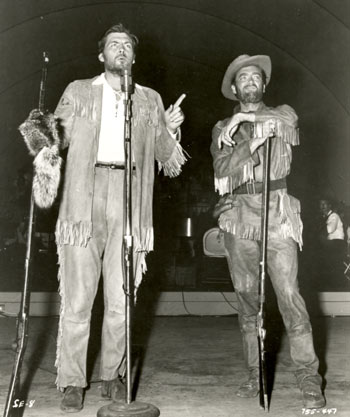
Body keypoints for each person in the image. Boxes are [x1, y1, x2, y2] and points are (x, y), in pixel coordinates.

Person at [20, 23, 187, 412]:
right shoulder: (79, 91)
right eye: (114, 45)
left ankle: (113, 376)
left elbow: (167, 158)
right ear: (102, 56)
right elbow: (52, 140)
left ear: (134, 55)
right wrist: (41, 131)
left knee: (122, 297)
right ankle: (72, 383)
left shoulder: (149, 98)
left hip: (130, 201)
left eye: (127, 45)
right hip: (83, 197)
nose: (121, 50)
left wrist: (170, 128)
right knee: (78, 299)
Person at [210, 54, 325, 409]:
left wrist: (248, 118)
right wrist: (248, 142)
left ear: (264, 84)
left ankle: (308, 377)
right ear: (233, 88)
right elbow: (223, 168)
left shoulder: (282, 113)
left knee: (289, 295)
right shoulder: (221, 128)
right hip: (239, 216)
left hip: (277, 212)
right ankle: (254, 372)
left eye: (255, 77)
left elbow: (286, 123)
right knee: (247, 300)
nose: (249, 81)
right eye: (242, 78)